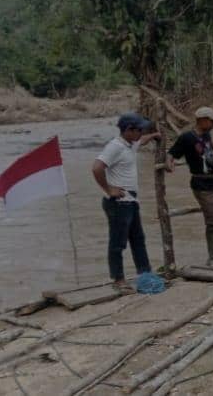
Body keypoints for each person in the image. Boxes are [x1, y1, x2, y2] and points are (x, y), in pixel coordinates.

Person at [92, 112, 160, 292]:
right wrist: (109, 189)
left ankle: (145, 274)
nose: (141, 133)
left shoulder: (131, 144)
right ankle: (118, 279)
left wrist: (153, 136)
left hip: (131, 201)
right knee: (118, 243)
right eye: (139, 130)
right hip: (118, 203)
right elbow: (97, 167)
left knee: (138, 239)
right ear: (129, 130)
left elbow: (142, 140)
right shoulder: (114, 147)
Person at [166, 107, 213, 269]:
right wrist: (169, 163)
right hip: (202, 184)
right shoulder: (186, 138)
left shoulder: (206, 136)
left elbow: (210, 154)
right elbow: (172, 153)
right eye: (211, 121)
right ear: (203, 120)